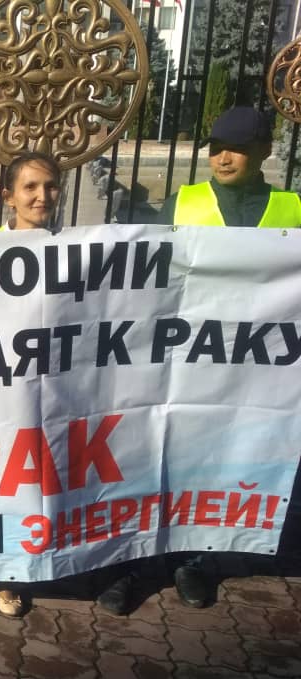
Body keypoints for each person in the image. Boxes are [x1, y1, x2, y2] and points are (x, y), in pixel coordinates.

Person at [97, 106, 301, 615]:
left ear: (264, 152)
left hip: (253, 369)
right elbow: (144, 272)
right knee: (162, 457)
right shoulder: (184, 202)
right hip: (182, 361)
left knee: (223, 463)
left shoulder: (292, 209)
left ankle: (199, 561)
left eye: (237, 149)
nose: (223, 158)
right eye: (217, 148)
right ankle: (141, 563)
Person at [0, 151, 63, 617]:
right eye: (30, 187)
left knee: (30, 479)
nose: (41, 196)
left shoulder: (76, 249)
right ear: (9, 197)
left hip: (46, 389)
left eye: (50, 186)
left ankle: (13, 573)